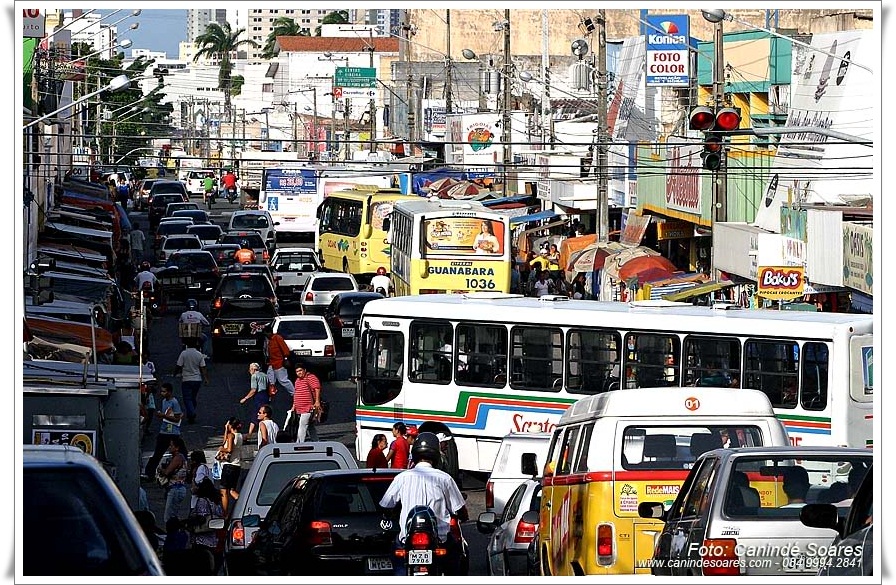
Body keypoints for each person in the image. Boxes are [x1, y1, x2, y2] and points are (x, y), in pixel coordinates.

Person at [379, 431, 469, 576]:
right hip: (440, 539)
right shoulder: (444, 478)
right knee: (456, 557)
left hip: (407, 538)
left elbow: (386, 504)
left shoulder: (402, 478)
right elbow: (459, 508)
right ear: (435, 454)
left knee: (396, 557)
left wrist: (389, 514)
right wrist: (463, 516)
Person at [143, 382, 183, 480]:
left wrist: (164, 416)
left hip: (172, 432)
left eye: (164, 391)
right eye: (161, 391)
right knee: (157, 453)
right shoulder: (164, 401)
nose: (162, 393)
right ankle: (149, 473)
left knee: (178, 453)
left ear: (169, 392)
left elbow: (177, 418)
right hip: (164, 430)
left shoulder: (174, 402)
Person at [188, 476, 225, 573]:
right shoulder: (216, 501)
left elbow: (201, 517)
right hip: (213, 539)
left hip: (201, 540)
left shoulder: (202, 501)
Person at [174, 338, 209, 424]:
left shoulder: (184, 354)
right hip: (197, 379)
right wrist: (206, 378)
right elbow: (203, 367)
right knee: (193, 397)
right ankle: (191, 414)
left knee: (187, 398)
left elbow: (178, 365)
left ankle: (191, 413)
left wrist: (174, 373)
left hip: (186, 379)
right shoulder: (199, 354)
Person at [216, 417, 246, 515]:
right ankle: (244, 503)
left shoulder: (231, 435)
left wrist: (221, 449)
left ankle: (225, 513)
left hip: (229, 466)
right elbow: (226, 441)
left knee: (223, 491)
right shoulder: (239, 435)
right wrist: (226, 430)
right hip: (237, 465)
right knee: (232, 491)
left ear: (230, 425)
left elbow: (228, 448)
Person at [289, 361, 321, 443]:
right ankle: (316, 442)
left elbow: (317, 388)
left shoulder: (310, 377)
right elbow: (296, 393)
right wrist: (294, 406)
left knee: (302, 425)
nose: (299, 373)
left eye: (300, 370)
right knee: (310, 426)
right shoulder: (297, 381)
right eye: (297, 371)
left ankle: (299, 443)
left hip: (308, 407)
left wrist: (317, 401)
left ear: (304, 370)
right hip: (300, 408)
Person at [160, 436, 190, 522]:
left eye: (171, 445)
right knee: (173, 514)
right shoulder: (180, 457)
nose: (169, 447)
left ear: (177, 448)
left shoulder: (178, 458)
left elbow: (167, 472)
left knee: (169, 517)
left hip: (176, 489)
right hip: (177, 488)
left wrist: (161, 469)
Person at [240, 362, 271, 435]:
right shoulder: (265, 375)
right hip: (265, 395)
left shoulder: (254, 376)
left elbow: (254, 390)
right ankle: (266, 432)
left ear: (253, 369)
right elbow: (268, 387)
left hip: (259, 396)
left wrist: (245, 398)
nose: (249, 371)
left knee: (256, 415)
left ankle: (249, 435)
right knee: (265, 414)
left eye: (250, 369)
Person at [263, 324, 294, 397]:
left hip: (279, 363)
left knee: (283, 380)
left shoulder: (277, 338)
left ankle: (294, 393)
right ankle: (272, 391)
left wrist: (286, 359)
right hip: (272, 363)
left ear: (269, 332)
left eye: (266, 334)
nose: (266, 336)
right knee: (270, 379)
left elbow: (285, 350)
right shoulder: (269, 341)